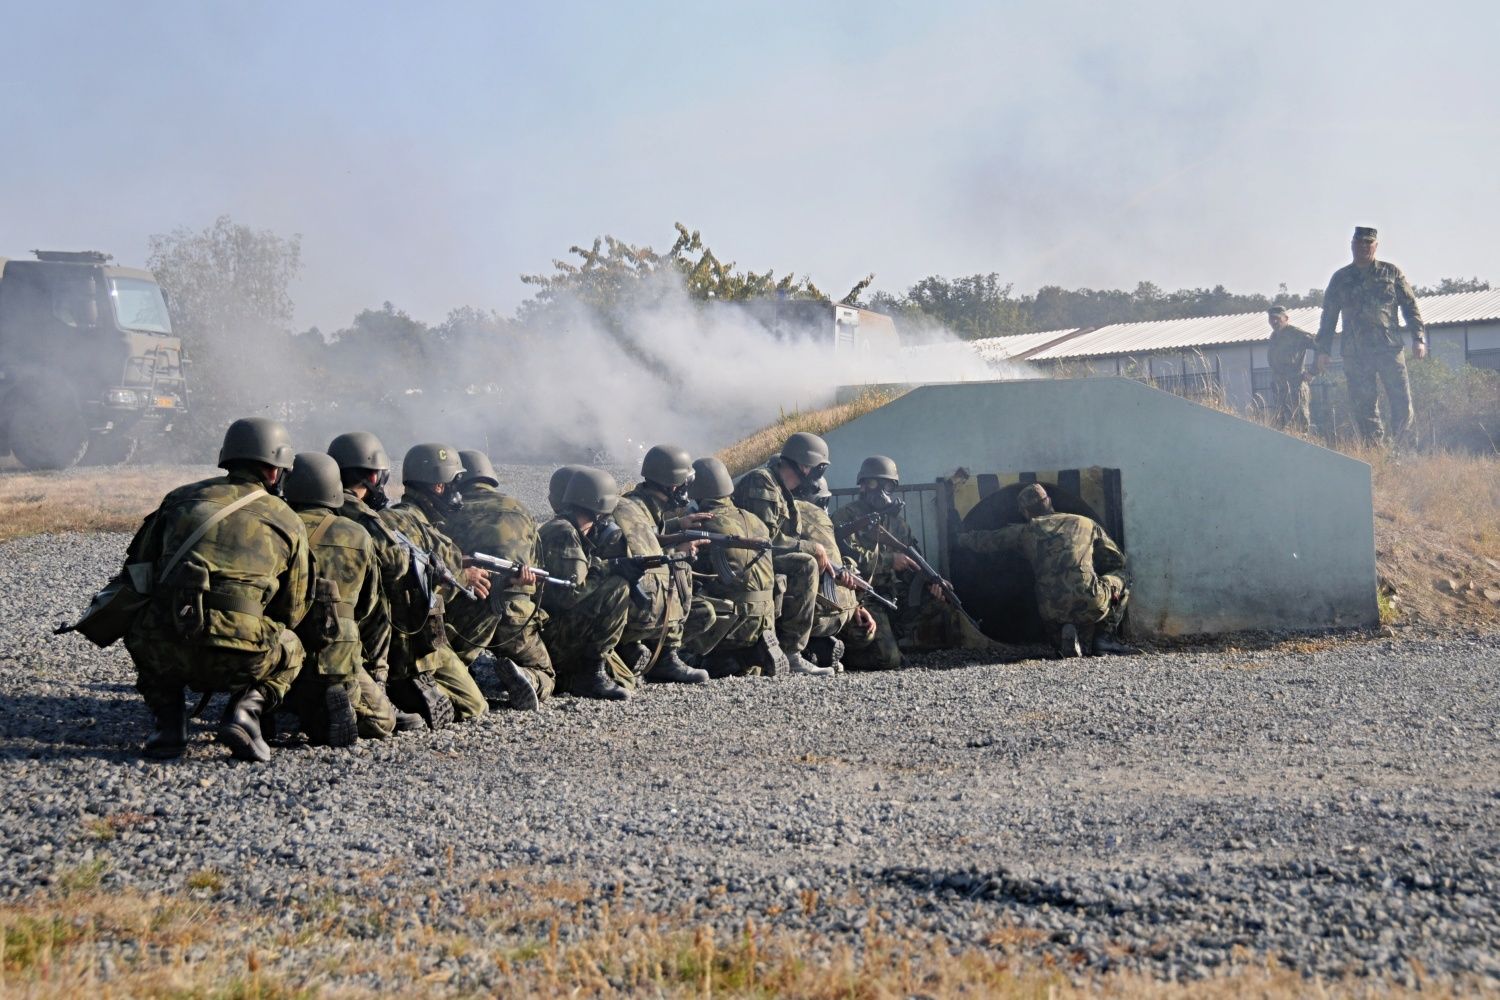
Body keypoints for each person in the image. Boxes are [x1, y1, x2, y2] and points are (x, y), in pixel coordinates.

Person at [121, 417, 312, 762]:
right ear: (275, 471)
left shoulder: (180, 498)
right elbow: (293, 609)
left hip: (166, 649)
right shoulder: (288, 520)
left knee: (143, 626)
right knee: (292, 647)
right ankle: (245, 712)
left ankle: (168, 724)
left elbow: (138, 572)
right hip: (241, 656)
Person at [281, 452, 400, 742]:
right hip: (336, 651)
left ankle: (283, 708)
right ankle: (332, 700)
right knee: (383, 720)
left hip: (281, 651)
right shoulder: (358, 534)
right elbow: (370, 608)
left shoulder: (276, 526)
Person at [378, 444, 492, 724]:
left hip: (383, 642)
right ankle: (409, 689)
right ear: (438, 487)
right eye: (454, 485)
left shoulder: (388, 518)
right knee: (474, 707)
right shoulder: (425, 531)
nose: (457, 493)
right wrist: (466, 577)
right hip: (414, 644)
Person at [956, 483, 1133, 658]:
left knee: (1056, 621)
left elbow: (987, 541)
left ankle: (1062, 639)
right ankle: (1104, 638)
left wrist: (959, 538)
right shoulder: (1084, 523)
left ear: (1025, 512)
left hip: (1051, 610)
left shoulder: (1026, 531)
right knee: (1123, 576)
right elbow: (1117, 560)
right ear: (1049, 501)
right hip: (1090, 601)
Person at [439, 449, 555, 711]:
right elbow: (535, 568)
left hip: (465, 612)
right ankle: (528, 676)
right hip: (515, 612)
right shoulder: (520, 510)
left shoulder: (447, 510)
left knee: (454, 661)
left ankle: (472, 673)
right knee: (546, 673)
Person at [325, 431, 423, 732]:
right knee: (382, 594)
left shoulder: (302, 505)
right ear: (372, 477)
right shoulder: (361, 514)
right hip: (342, 626)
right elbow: (397, 566)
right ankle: (378, 687)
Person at [730, 432, 837, 676]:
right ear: (804, 466)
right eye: (816, 469)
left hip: (760, 559)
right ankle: (791, 653)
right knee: (806, 564)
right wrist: (812, 548)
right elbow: (766, 540)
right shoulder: (762, 482)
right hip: (748, 558)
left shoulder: (782, 490)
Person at [1314, 226, 1427, 445]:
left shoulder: (1391, 273)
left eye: (1368, 242)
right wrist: (1323, 351)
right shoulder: (1341, 278)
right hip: (1356, 353)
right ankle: (1373, 449)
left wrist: (1418, 338)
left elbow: (1410, 306)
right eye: (1359, 242)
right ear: (1352, 245)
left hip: (1388, 349)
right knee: (1363, 404)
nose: (1364, 246)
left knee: (1401, 400)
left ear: (1376, 246)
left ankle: (1403, 450)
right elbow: (1328, 317)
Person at [612, 444, 712, 685]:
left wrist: (678, 525)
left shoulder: (641, 505)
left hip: (630, 596)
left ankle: (644, 651)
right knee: (680, 567)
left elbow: (653, 534)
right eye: (686, 483)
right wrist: (679, 553)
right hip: (629, 599)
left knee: (705, 612)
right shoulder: (633, 511)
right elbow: (646, 559)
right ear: (673, 486)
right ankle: (663, 656)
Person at [679, 457, 787, 677]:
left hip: (729, 623)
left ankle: (697, 658)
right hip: (765, 619)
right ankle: (748, 655)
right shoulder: (756, 521)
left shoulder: (702, 524)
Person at [536, 467, 636, 700]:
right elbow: (569, 594)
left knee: (626, 680)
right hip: (550, 633)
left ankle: (572, 676)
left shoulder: (566, 529)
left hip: (551, 628)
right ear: (599, 512)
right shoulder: (564, 533)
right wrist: (607, 568)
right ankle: (589, 675)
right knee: (618, 588)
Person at [830, 455, 934, 670]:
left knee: (931, 596)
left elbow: (915, 560)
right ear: (862, 485)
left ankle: (891, 640)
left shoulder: (897, 524)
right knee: (888, 661)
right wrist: (890, 561)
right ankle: (840, 657)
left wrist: (933, 580)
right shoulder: (846, 517)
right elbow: (843, 558)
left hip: (889, 593)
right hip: (860, 595)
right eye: (873, 483)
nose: (879, 491)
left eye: (886, 485)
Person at [794, 477, 878, 671]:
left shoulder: (827, 527)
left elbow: (842, 564)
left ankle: (818, 647)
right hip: (800, 605)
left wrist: (856, 605)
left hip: (830, 604)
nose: (822, 509)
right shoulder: (789, 522)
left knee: (862, 631)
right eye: (821, 501)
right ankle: (804, 650)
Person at [1265, 305, 1317, 432]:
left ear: (1286, 318)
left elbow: (1320, 347)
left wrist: (1312, 371)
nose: (1274, 321)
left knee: (1301, 424)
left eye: (1277, 318)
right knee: (1280, 426)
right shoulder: (1274, 336)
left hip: (1296, 386)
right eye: (1271, 319)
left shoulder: (1296, 334)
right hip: (1280, 388)